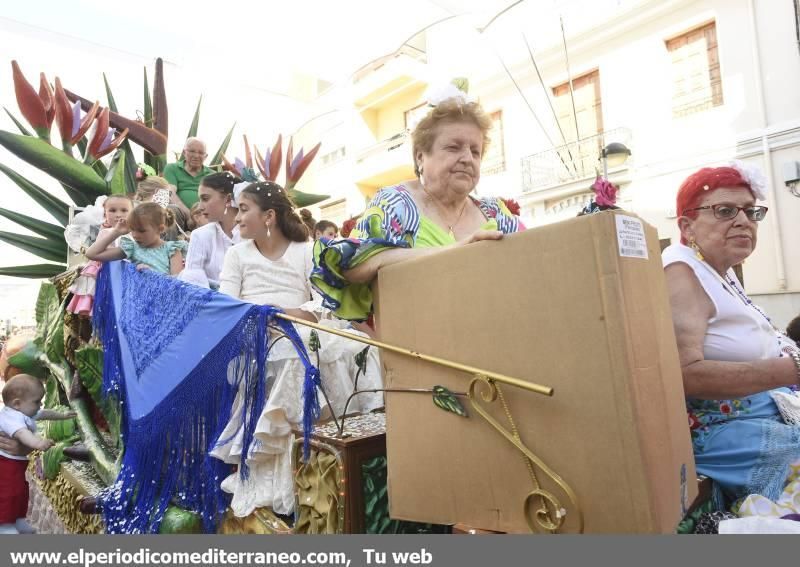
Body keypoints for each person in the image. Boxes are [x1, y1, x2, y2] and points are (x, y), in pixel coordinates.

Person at [212, 181, 383, 518]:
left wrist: (288, 312)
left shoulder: (306, 250)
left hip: (306, 324)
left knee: (357, 348)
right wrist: (264, 314)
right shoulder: (237, 254)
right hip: (257, 334)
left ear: (269, 216)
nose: (237, 217)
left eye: (244, 209)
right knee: (294, 356)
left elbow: (321, 299)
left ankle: (340, 455)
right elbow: (228, 304)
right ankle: (281, 477)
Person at [312, 93, 523, 322]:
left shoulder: (496, 213)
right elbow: (352, 267)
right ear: (421, 157)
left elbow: (532, 266)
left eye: (475, 151)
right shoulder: (396, 204)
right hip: (416, 346)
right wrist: (459, 250)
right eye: (454, 147)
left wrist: (386, 257)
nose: (467, 159)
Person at [662, 163, 800, 511]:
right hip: (721, 435)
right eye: (725, 210)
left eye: (751, 211)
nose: (743, 221)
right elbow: (685, 373)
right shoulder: (681, 272)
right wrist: (794, 368)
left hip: (765, 414)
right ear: (686, 224)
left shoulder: (719, 271)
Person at [0, 374, 75, 534]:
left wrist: (61, 416)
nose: (40, 404)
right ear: (17, 403)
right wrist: (38, 443)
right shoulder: (11, 418)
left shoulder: (22, 411)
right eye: (36, 401)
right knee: (9, 492)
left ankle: (18, 519)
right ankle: (5, 526)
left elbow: (43, 413)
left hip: (16, 463)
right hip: (6, 464)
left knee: (21, 491)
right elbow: (22, 434)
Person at [66, 195, 133, 318]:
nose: (118, 215)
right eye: (112, 210)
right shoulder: (105, 232)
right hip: (106, 270)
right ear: (105, 215)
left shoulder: (134, 233)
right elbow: (97, 251)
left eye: (124, 210)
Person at [179, 172, 241, 289]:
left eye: (205, 199)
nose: (200, 207)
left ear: (228, 199)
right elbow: (193, 282)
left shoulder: (252, 234)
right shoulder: (200, 235)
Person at [86, 203, 187, 275]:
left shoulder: (172, 250)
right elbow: (91, 254)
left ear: (160, 229)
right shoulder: (132, 248)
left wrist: (152, 275)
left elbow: (176, 282)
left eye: (141, 231)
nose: (135, 235)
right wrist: (116, 232)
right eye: (132, 229)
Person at [163, 137, 215, 208]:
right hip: (179, 212)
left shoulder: (212, 175)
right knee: (171, 208)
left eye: (201, 153)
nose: (196, 156)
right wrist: (187, 213)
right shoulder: (172, 168)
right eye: (192, 151)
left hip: (205, 213)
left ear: (205, 156)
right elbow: (170, 193)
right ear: (184, 153)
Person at [135, 175, 190, 240]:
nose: (169, 199)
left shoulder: (132, 210)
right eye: (168, 193)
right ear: (157, 192)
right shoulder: (170, 210)